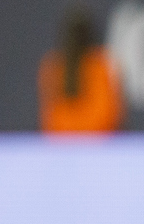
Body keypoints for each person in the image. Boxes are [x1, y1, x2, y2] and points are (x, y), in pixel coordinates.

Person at [39, 7, 124, 135]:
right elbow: (108, 115)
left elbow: (106, 116)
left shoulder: (100, 65)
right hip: (76, 146)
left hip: (81, 146)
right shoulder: (101, 66)